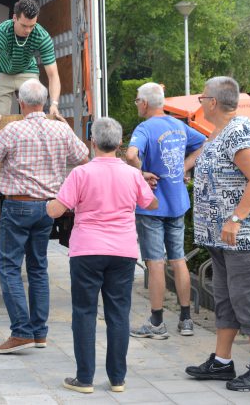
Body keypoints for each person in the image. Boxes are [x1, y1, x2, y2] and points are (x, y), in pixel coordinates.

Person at [185, 76, 250, 392]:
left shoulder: (239, 132)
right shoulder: (219, 133)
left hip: (248, 236)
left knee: (248, 299)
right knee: (227, 299)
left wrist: (235, 218)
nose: (200, 102)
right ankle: (222, 361)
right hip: (223, 239)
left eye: (202, 97)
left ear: (214, 102)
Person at [46, 117, 157, 394]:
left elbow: (56, 210)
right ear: (120, 144)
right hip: (123, 252)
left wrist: (50, 203)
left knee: (84, 313)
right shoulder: (132, 174)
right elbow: (150, 204)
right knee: (118, 314)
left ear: (92, 143)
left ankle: (84, 379)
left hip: (87, 250)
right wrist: (147, 186)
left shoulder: (81, 174)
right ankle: (117, 378)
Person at [0, 79, 89, 354]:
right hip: (48, 208)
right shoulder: (60, 130)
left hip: (18, 207)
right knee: (38, 268)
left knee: (8, 268)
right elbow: (83, 156)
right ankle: (39, 332)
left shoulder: (11, 130)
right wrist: (66, 128)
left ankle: (21, 332)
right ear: (43, 102)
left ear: (21, 102)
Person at [126, 82, 205, 339]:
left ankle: (157, 321)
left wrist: (141, 171)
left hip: (152, 206)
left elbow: (130, 155)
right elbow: (204, 142)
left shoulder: (144, 128)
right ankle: (185, 319)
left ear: (145, 103)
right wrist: (185, 166)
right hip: (177, 203)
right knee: (178, 259)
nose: (136, 104)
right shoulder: (178, 126)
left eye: (137, 100)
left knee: (155, 262)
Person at [0, 0, 61, 121]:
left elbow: (53, 75)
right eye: (24, 25)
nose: (28, 30)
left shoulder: (42, 36)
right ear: (14, 18)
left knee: (34, 115)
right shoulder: (1, 32)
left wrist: (54, 104)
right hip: (1, 71)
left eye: (32, 26)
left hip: (27, 71)